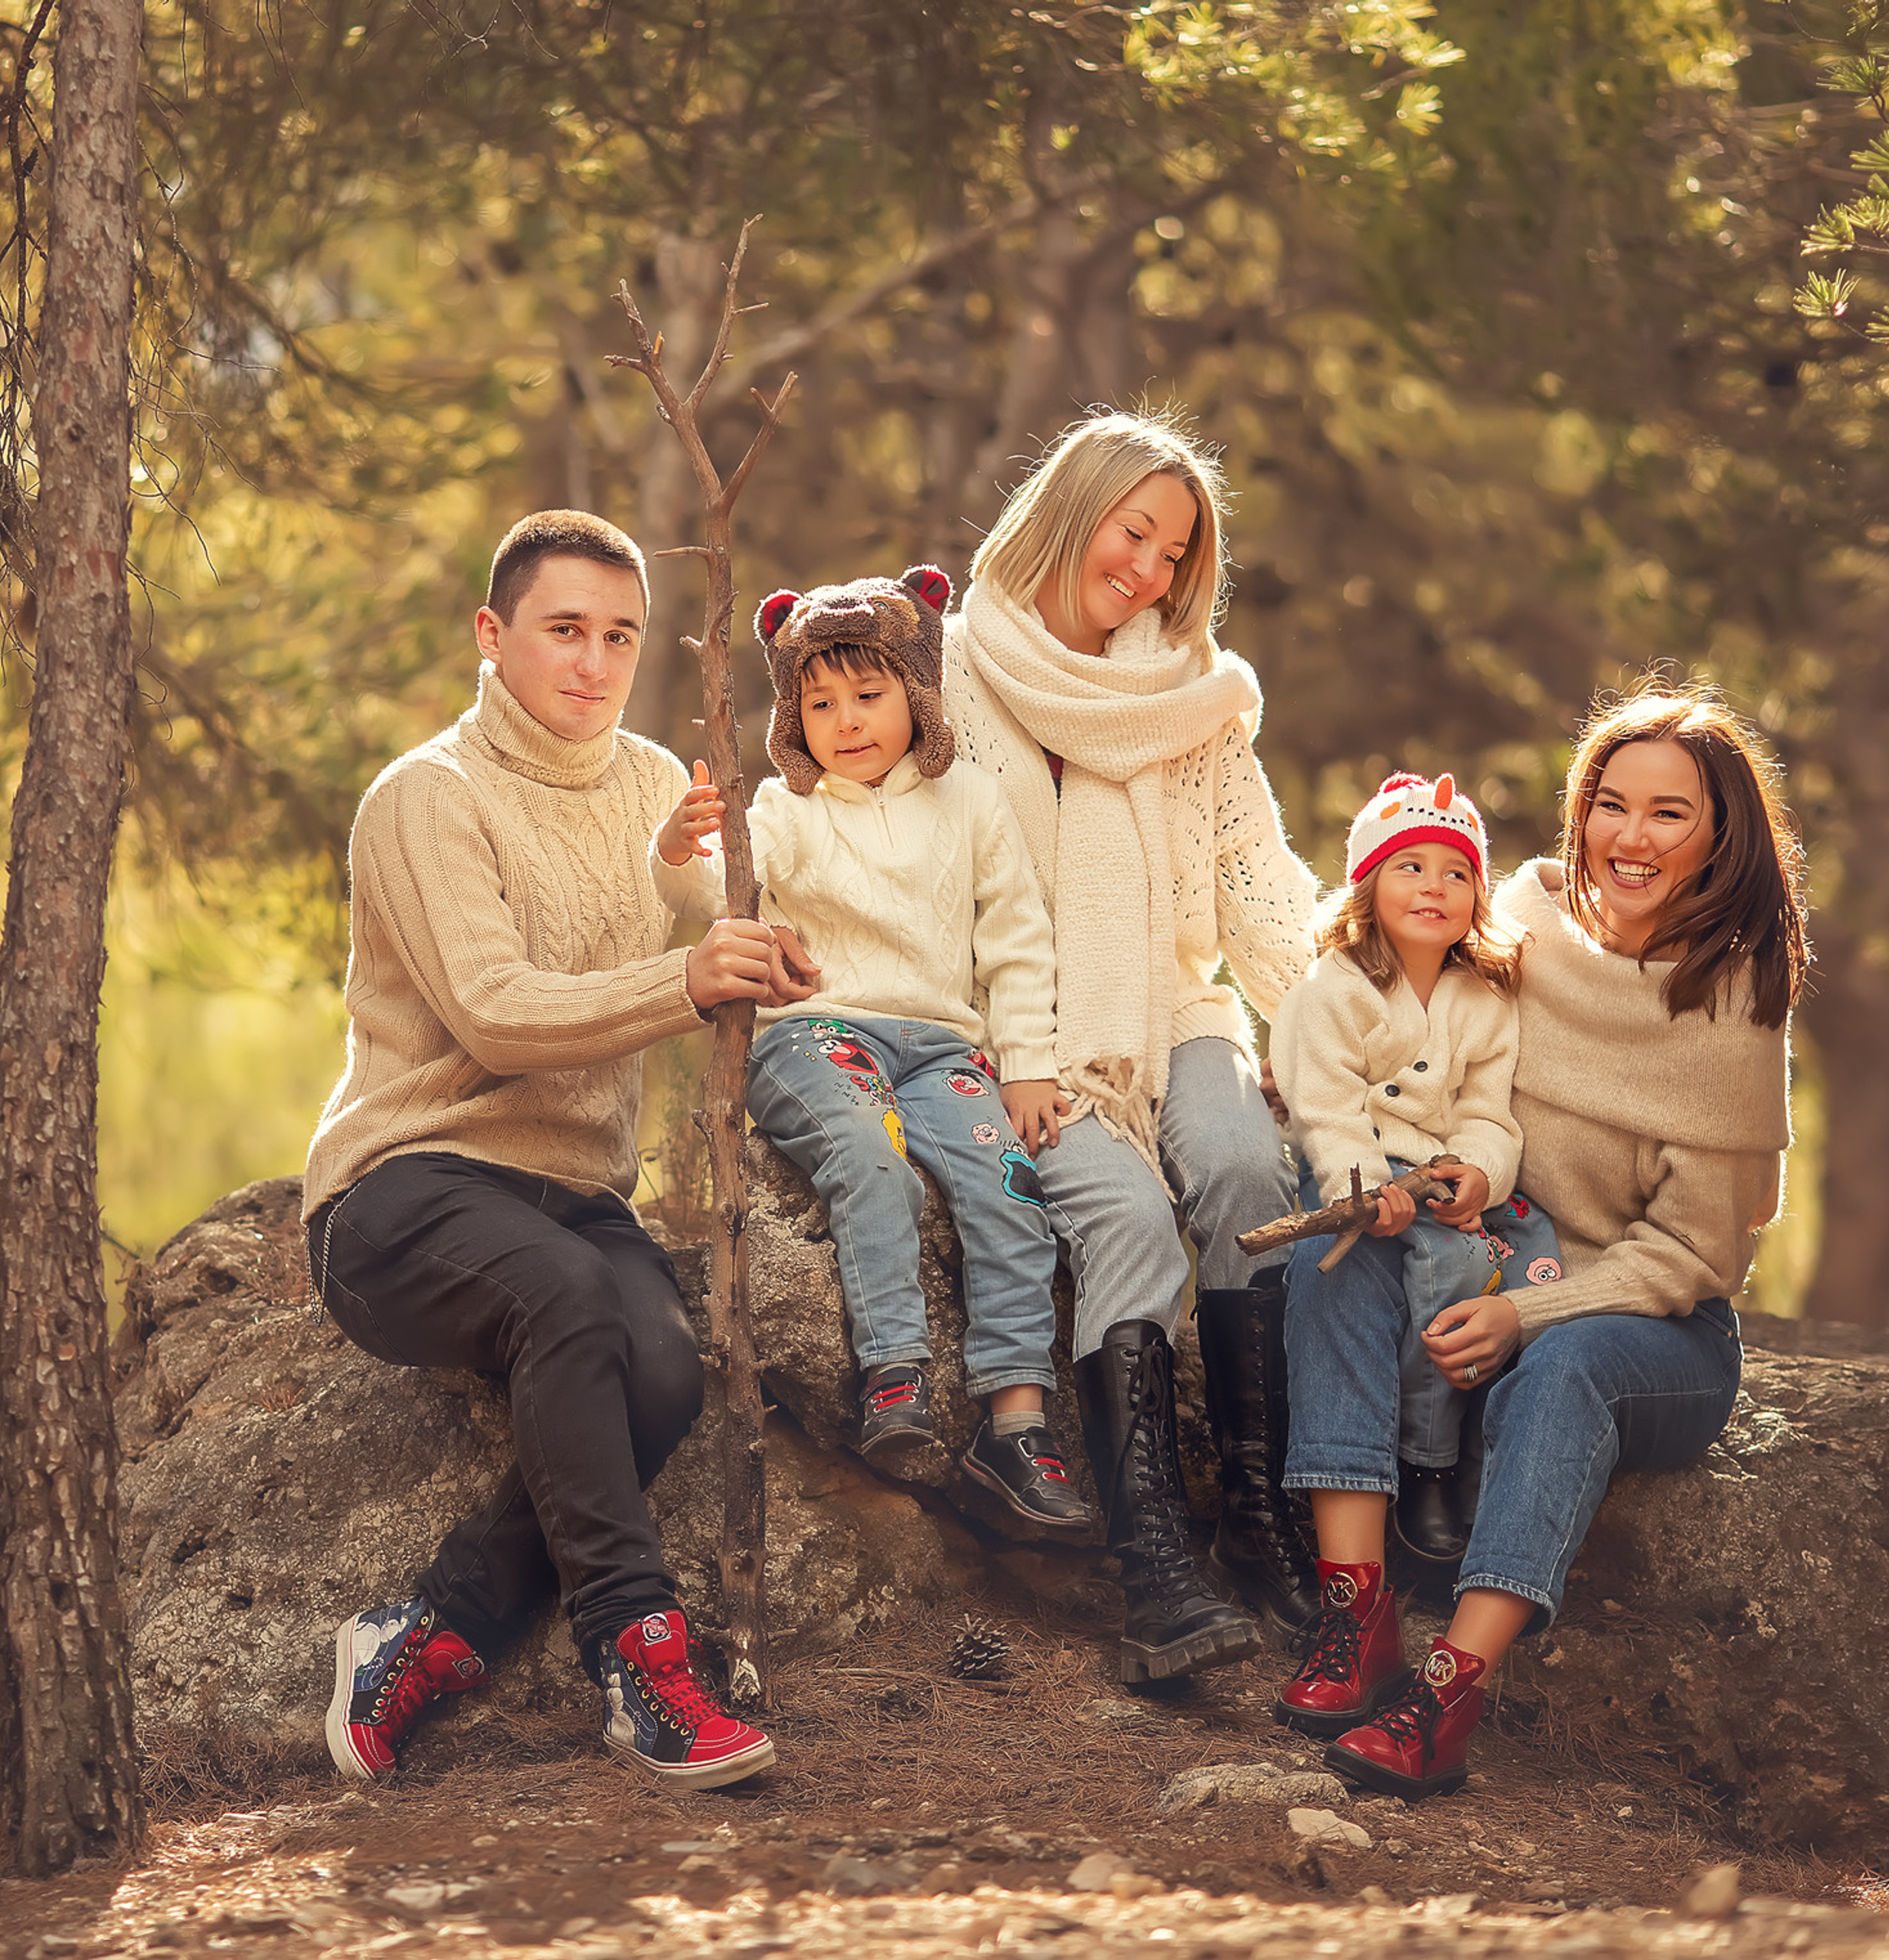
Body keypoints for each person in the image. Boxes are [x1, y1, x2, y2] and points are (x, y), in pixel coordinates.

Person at [305, 510, 815, 1792]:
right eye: (564, 630)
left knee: (664, 1372)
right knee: (570, 1299)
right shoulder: (425, 797)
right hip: (403, 1191)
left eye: (620, 637)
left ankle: (433, 1631)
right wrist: (686, 977)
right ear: (493, 634)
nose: (594, 663)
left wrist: (755, 937)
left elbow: (696, 925)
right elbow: (494, 1011)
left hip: (574, 1192)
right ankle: (640, 1663)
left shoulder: (653, 786)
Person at [1273, 683, 1806, 1800]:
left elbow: (1692, 1259)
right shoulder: (1518, 925)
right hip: (1492, 1255)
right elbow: (1395, 1024)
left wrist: (1524, 1313)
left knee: (1565, 1365)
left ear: (1720, 837)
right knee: (1338, 1260)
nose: (1631, 837)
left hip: (1647, 1330)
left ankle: (1447, 1690)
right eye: (1612, 805)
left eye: (1669, 813)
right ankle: (1355, 1616)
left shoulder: (1735, 1007)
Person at [942, 410, 1322, 1683]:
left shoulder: (1195, 698)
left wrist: (1325, 1027)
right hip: (1023, 1032)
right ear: (1071, 513)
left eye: (1177, 555)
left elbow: (1257, 880)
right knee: (1132, 1223)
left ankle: (1262, 1518)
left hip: (1178, 1008)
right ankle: (1155, 1568)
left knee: (1248, 1169)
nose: (1151, 571)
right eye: (1135, 533)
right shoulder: (951, 670)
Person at [655, 565, 1092, 1535]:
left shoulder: (969, 801)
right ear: (792, 718)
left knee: (1007, 1186)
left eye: (868, 694)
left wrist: (1026, 1064)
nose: (847, 721)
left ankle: (1016, 1425)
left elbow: (1015, 939)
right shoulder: (788, 810)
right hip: (818, 1034)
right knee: (872, 1155)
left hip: (940, 1050)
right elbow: (716, 894)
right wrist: (683, 848)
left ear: (916, 695)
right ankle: (894, 1372)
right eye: (820, 703)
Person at [1268, 772, 1562, 1567]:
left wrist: (1479, 1171)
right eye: (1411, 866)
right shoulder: (1334, 988)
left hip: (1445, 1178)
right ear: (1367, 885)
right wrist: (1364, 1190)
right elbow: (1325, 1108)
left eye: (1457, 872)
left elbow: (1488, 1110)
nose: (1435, 885)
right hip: (1360, 1175)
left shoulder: (1485, 997)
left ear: (1477, 898)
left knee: (1525, 1266)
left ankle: (1472, 1450)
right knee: (1439, 1263)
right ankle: (1423, 1456)